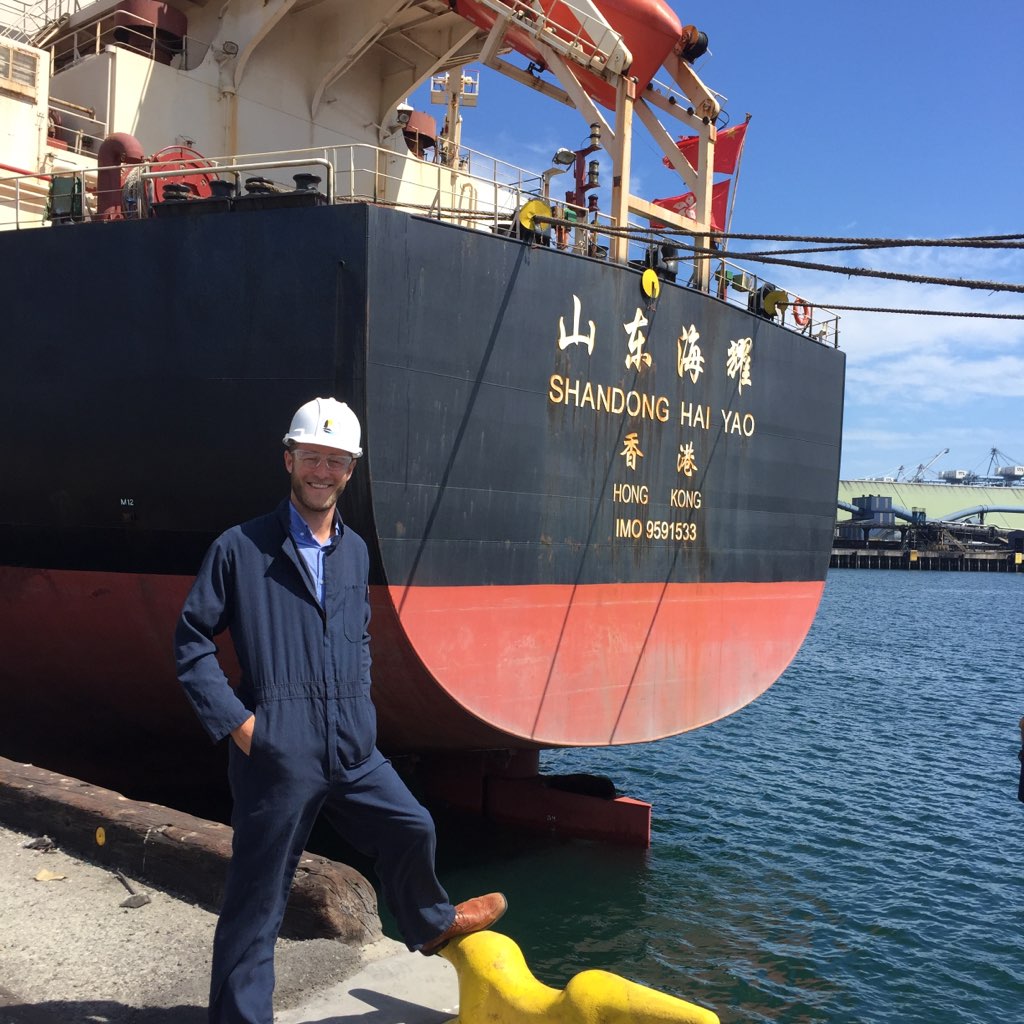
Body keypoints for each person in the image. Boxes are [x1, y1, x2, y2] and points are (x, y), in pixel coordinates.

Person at [174, 396, 506, 1023]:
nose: (322, 471)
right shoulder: (240, 548)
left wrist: (361, 709)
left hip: (352, 744)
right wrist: (243, 728)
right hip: (278, 748)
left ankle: (430, 922)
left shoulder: (353, 551)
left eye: (336, 461)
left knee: (414, 826)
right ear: (289, 459)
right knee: (256, 904)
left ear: (351, 470)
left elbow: (354, 636)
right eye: (312, 457)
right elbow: (191, 643)